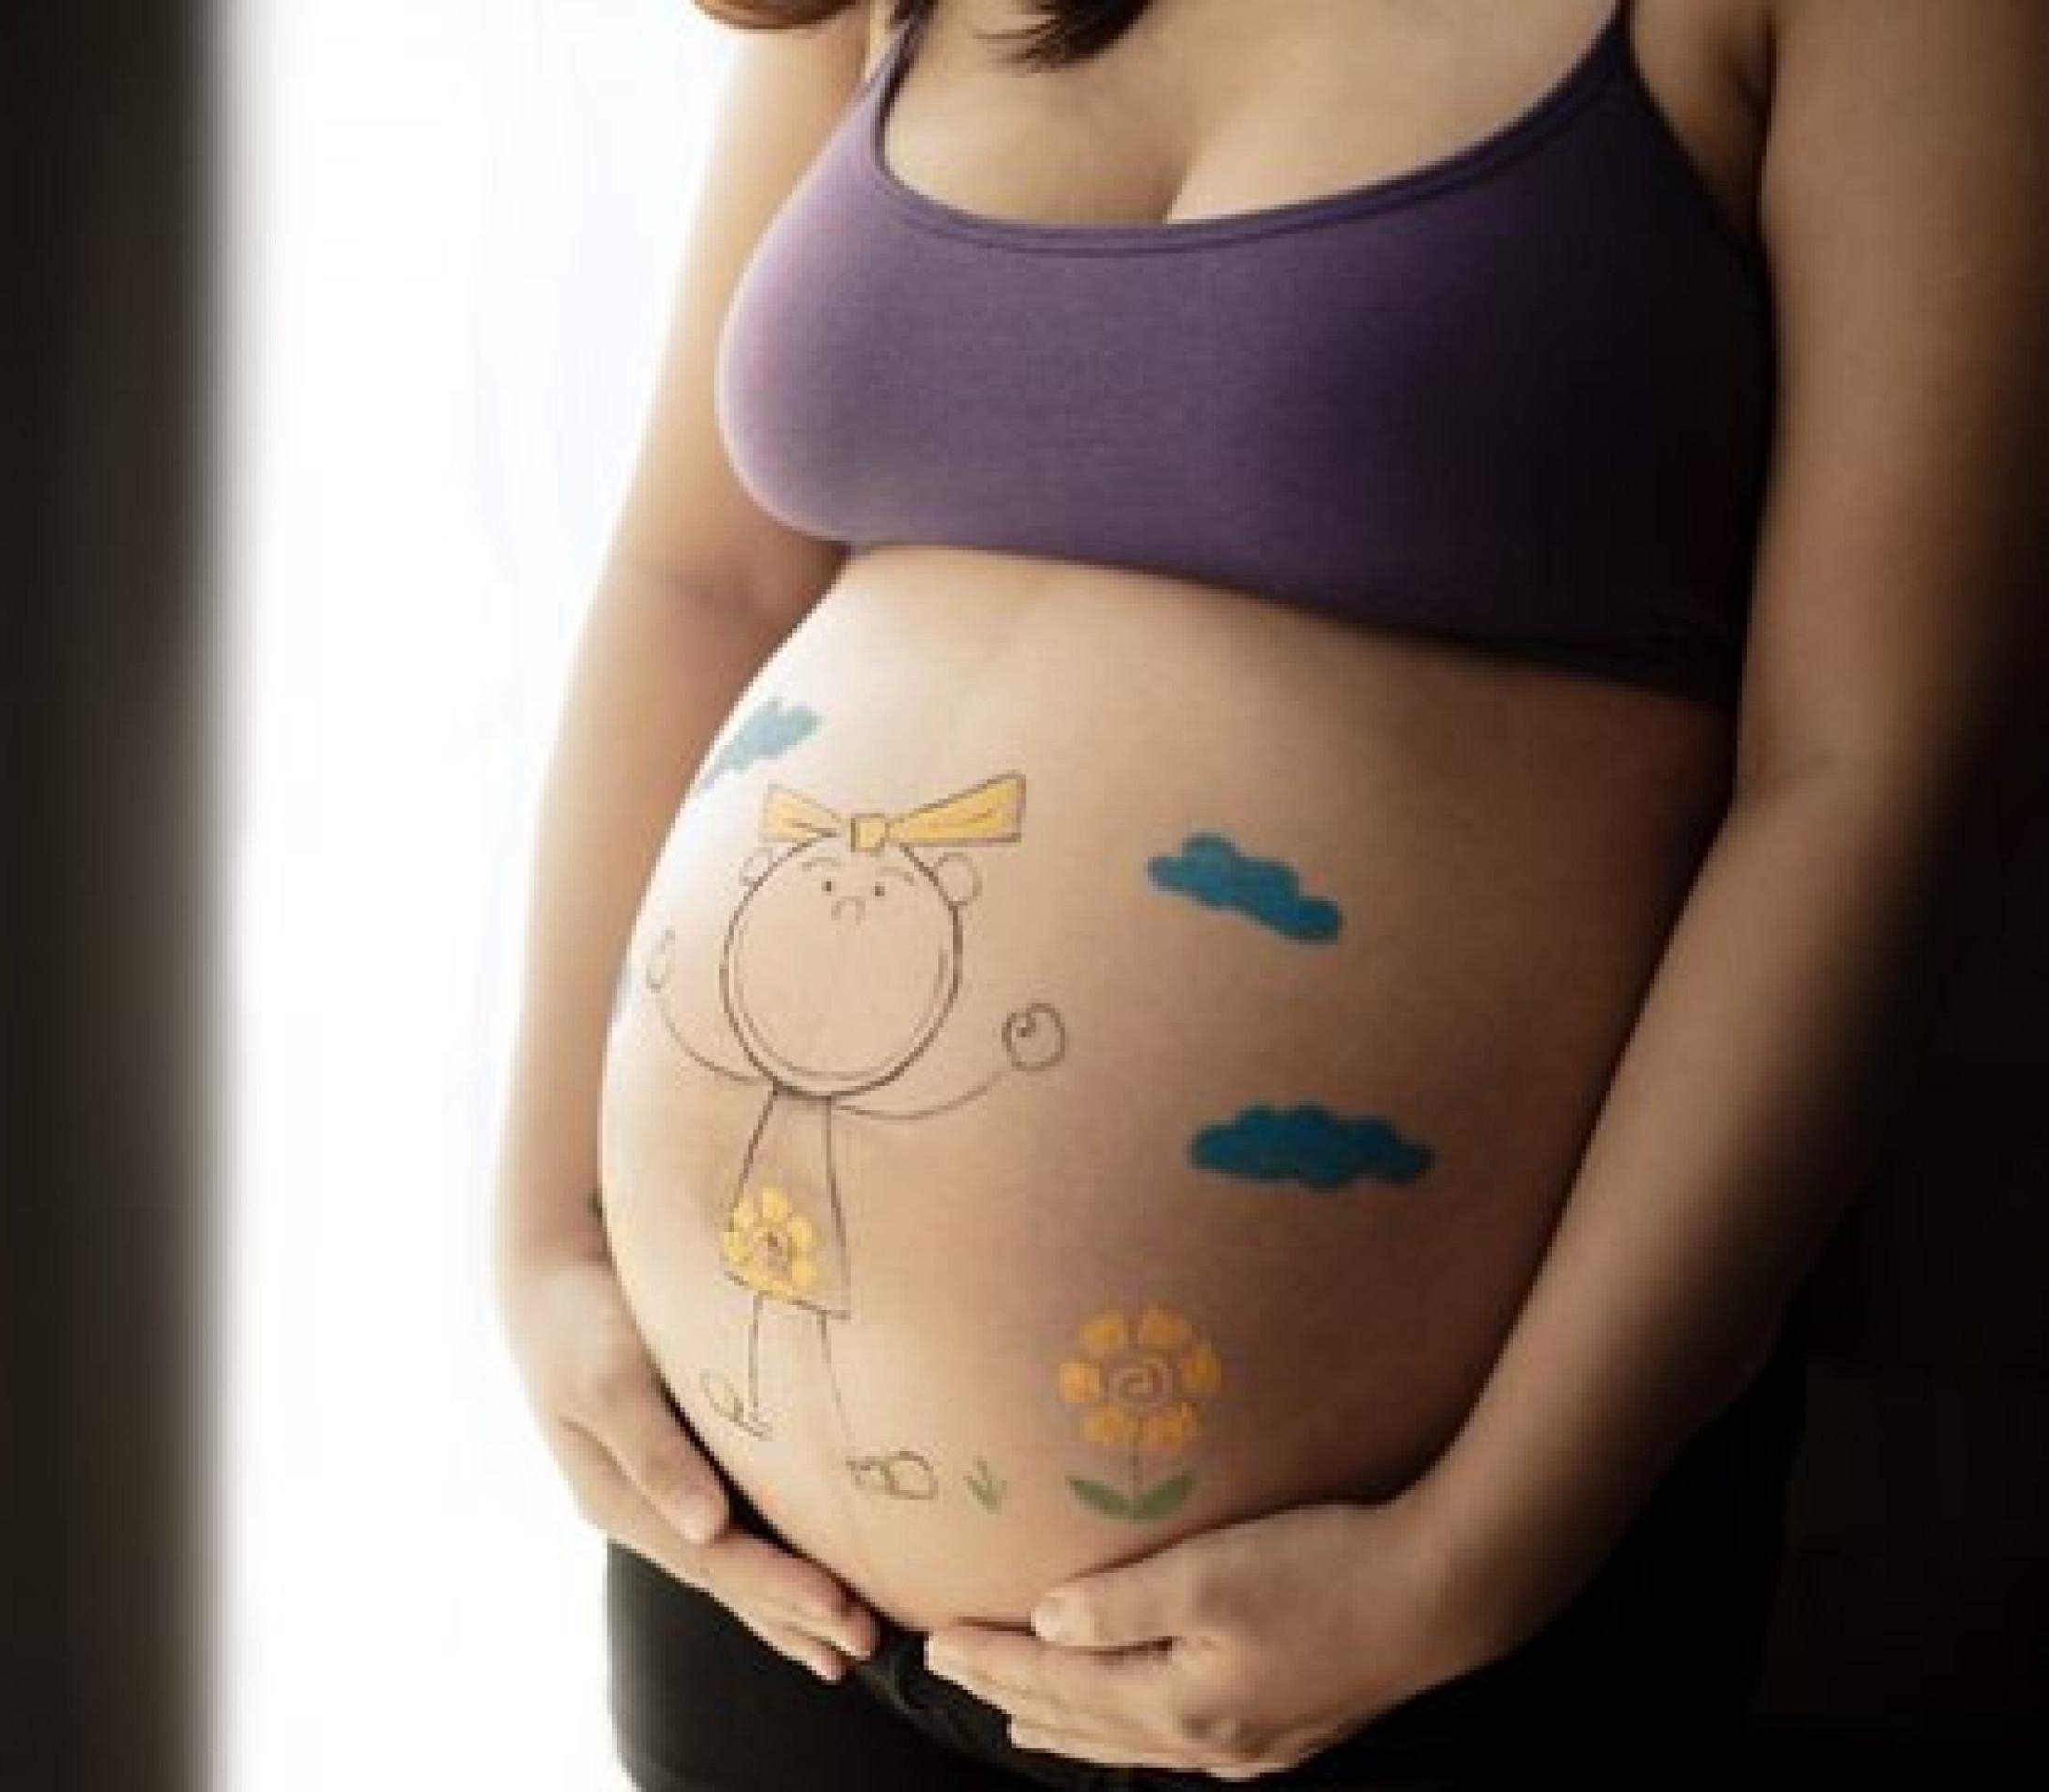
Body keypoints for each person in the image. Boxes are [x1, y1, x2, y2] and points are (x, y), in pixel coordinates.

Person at [489, 0, 2047, 1785]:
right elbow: (703, 577)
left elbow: (1870, 777)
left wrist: (1474, 1554)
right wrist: (544, 1237)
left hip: (1382, 1629)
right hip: (745, 1575)